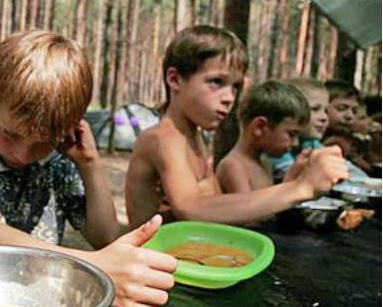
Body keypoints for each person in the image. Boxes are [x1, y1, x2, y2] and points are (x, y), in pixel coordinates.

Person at [0, 30, 177, 307]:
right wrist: (91, 267)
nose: (23, 153)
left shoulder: (60, 157)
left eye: (43, 142)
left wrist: (89, 165)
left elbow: (105, 236)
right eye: (10, 135)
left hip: (37, 306)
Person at [125, 25, 348, 228]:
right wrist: (301, 188)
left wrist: (292, 180)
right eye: (216, 82)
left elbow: (219, 204)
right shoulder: (163, 138)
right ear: (175, 79)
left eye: (235, 87)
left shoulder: (193, 134)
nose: (229, 97)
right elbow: (191, 208)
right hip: (152, 264)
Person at [216, 80, 310, 193]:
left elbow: (269, 205)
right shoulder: (233, 167)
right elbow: (248, 209)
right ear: (259, 127)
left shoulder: (265, 162)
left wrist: (293, 176)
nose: (295, 143)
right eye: (291, 134)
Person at [267, 78, 329, 182]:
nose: (324, 117)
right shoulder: (279, 145)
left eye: (326, 110)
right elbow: (298, 180)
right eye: (315, 109)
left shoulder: (311, 143)